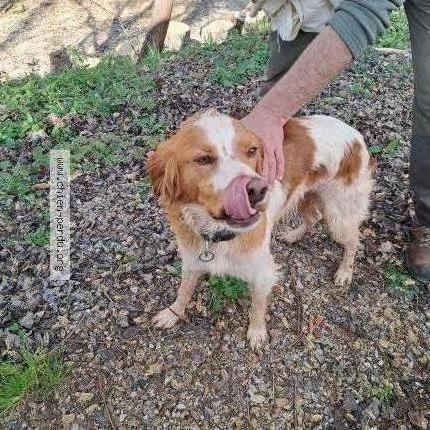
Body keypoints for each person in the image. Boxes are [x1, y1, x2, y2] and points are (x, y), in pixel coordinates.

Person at [241, 0, 430, 281]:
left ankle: (425, 225)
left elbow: (364, 10)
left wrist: (270, 112)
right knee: (278, 92)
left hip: (348, 165)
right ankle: (294, 202)